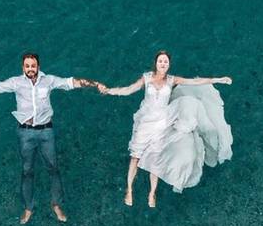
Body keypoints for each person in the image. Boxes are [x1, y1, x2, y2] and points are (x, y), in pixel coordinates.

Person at [0, 52, 102, 224]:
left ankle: (56, 204)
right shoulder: (16, 82)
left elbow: (72, 82)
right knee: (27, 171)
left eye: (33, 65)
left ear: (38, 66)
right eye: (27, 66)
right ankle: (28, 207)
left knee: (53, 168)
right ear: (23, 67)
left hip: (46, 131)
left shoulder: (49, 80)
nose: (30, 69)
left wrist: (94, 84)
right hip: (25, 133)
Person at [98, 50, 233, 208]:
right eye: (160, 61)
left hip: (162, 120)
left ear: (168, 65)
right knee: (135, 156)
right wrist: (109, 91)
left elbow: (194, 82)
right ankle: (129, 190)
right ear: (156, 63)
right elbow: (129, 89)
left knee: (156, 156)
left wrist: (219, 79)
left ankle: (152, 193)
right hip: (146, 121)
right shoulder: (147, 78)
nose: (163, 64)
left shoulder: (172, 80)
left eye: (166, 62)